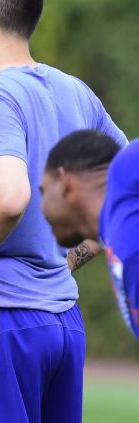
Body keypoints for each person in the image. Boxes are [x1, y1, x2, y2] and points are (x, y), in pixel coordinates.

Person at [0, 0, 128, 421]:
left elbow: (9, 196)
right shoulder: (75, 93)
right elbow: (122, 188)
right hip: (63, 325)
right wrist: (70, 260)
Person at [41, 130, 139, 339]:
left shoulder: (125, 170)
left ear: (64, 182)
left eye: (43, 192)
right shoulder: (113, 238)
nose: (41, 209)